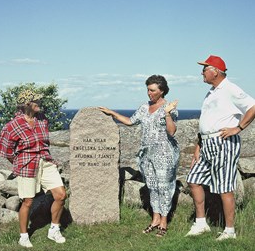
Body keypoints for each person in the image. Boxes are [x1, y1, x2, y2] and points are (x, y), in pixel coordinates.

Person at [99, 75, 180, 237]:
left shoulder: (169, 107)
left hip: (164, 153)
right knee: (152, 186)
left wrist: (167, 114)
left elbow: (172, 131)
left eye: (152, 90)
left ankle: (164, 221)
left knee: (164, 187)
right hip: (146, 154)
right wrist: (112, 113)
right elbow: (130, 121)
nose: (149, 93)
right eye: (148, 90)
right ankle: (155, 219)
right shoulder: (144, 107)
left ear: (162, 91)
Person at [186, 55, 255, 240]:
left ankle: (229, 231)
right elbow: (207, 122)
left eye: (204, 69)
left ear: (215, 71)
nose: (202, 72)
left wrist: (238, 128)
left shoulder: (230, 89)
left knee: (224, 187)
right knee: (193, 179)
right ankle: (201, 223)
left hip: (222, 142)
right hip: (206, 143)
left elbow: (252, 106)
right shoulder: (212, 92)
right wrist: (198, 147)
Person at [0, 89, 67, 248]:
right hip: (27, 164)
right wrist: (19, 162)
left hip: (45, 161)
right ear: (27, 104)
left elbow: (44, 142)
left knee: (61, 195)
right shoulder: (12, 126)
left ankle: (54, 230)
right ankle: (23, 235)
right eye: (37, 101)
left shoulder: (42, 119)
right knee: (27, 201)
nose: (41, 104)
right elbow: (5, 150)